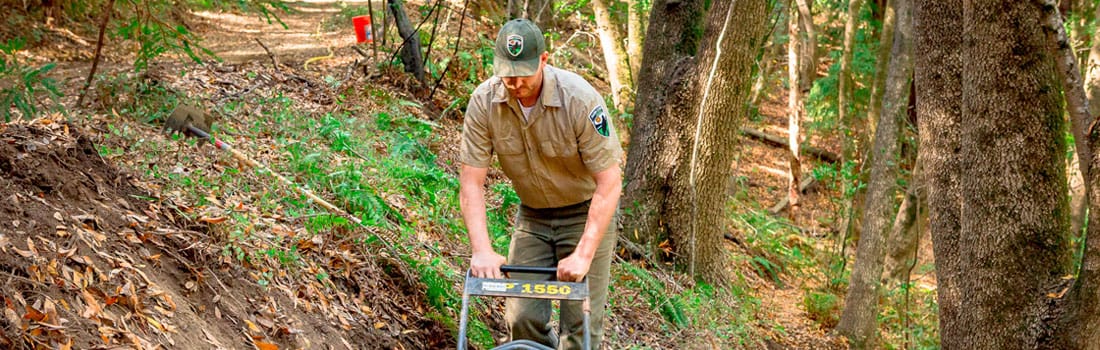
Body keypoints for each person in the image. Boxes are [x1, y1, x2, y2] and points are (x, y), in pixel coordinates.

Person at [458, 18, 623, 350]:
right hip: (533, 218)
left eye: (524, 73)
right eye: (507, 73)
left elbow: (609, 182)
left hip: (584, 214)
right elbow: (471, 183)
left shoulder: (579, 99)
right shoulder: (484, 102)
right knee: (521, 319)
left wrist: (583, 254)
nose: (515, 83)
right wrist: (482, 249)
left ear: (544, 61)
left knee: (580, 330)